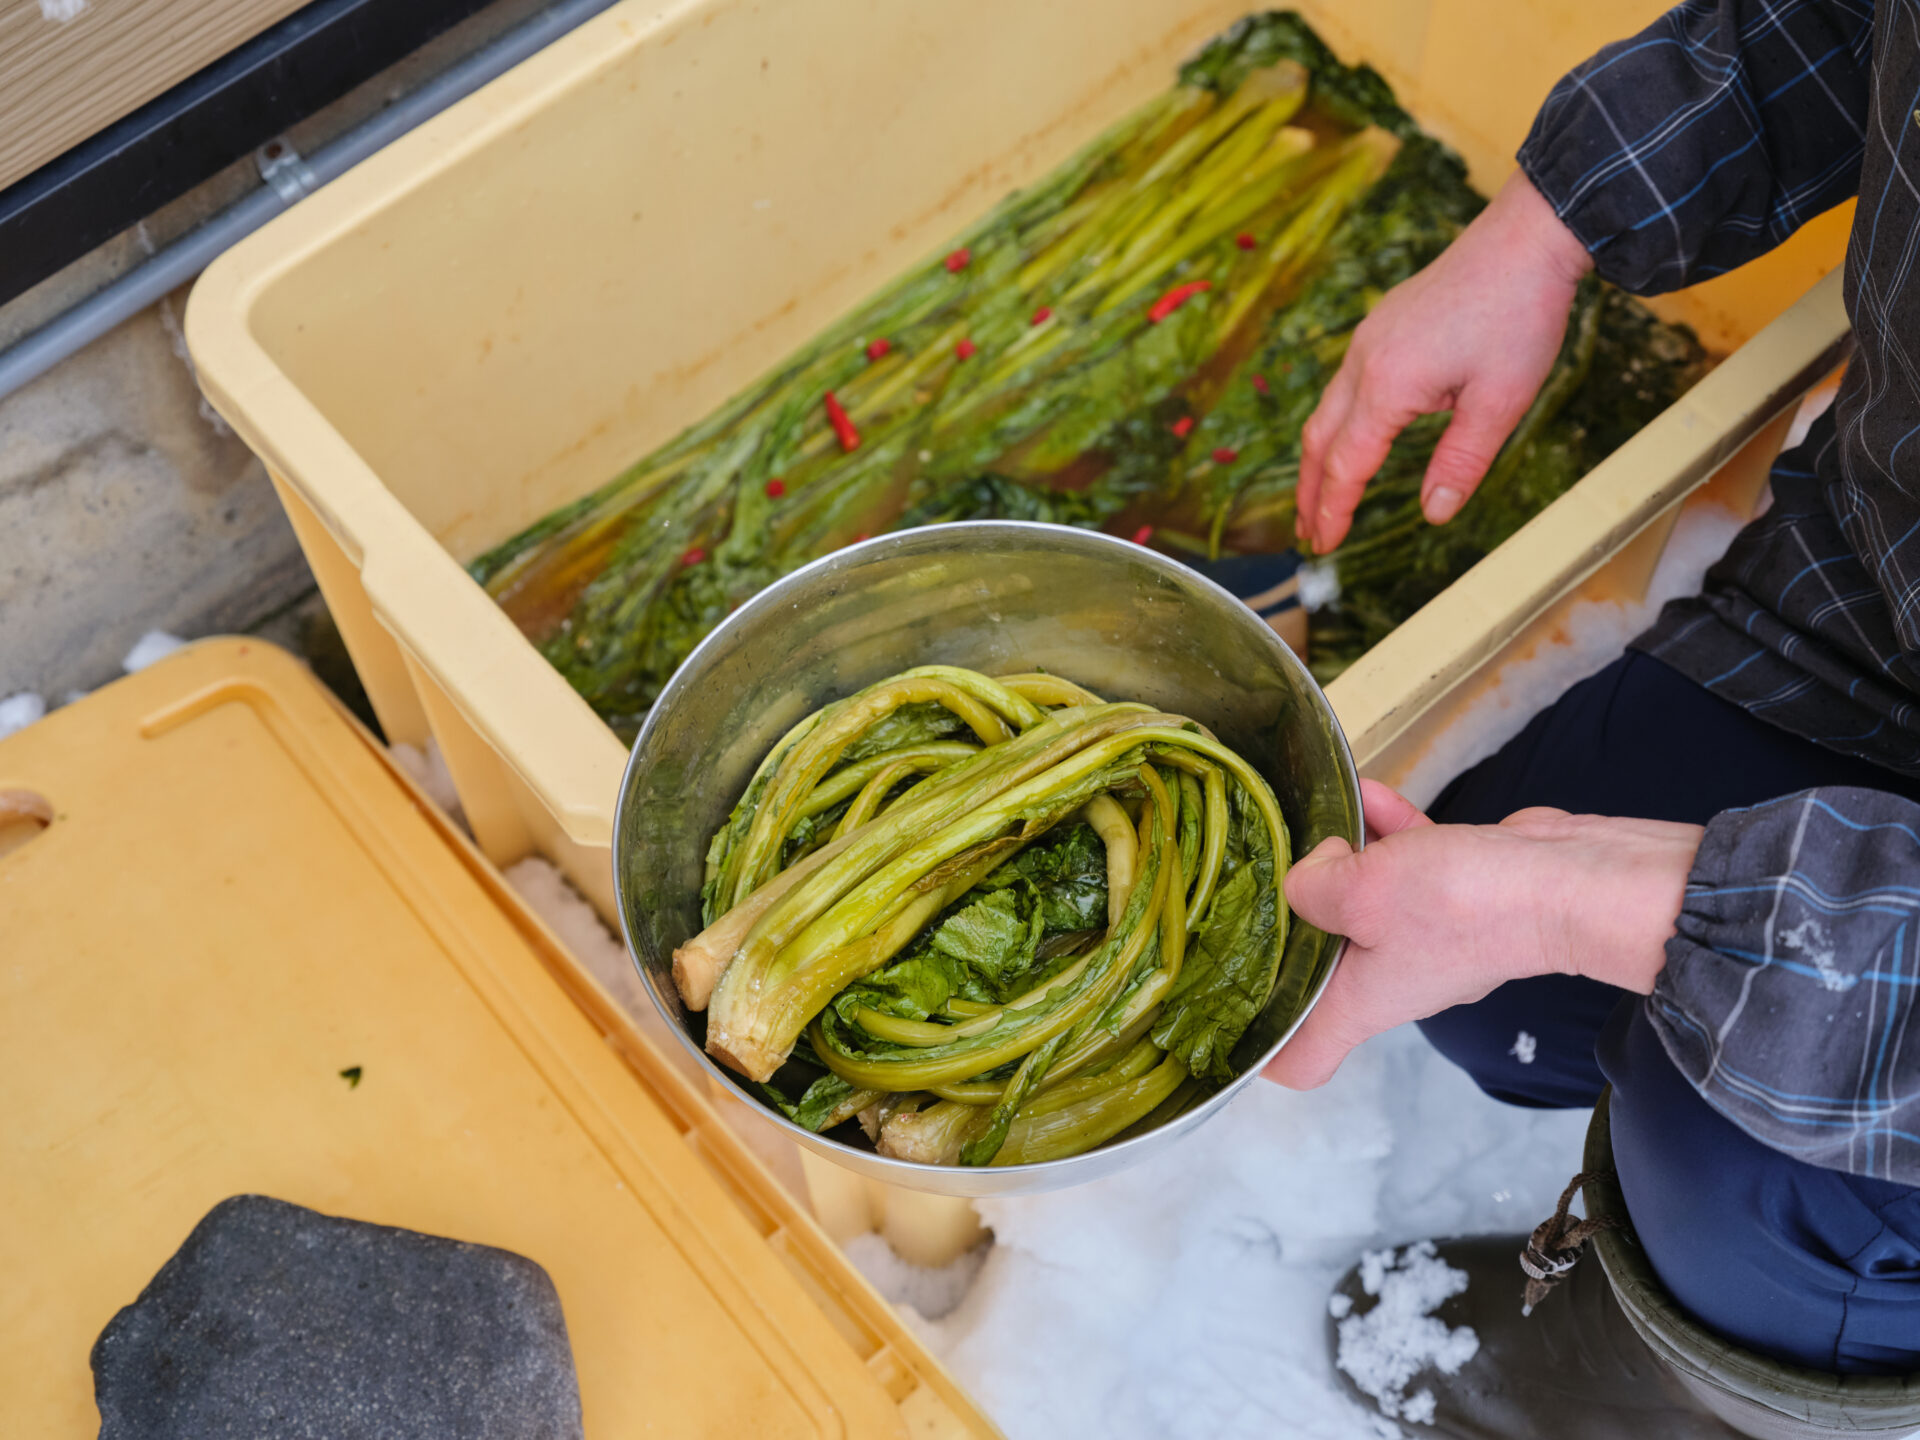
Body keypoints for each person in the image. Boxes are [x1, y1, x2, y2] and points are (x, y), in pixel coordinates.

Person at [1262, 4, 1920, 1435]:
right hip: (1886, 589)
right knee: (1506, 987)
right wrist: (1556, 221)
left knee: (1756, 1188)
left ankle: (1722, 1379)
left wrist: (1595, 901)